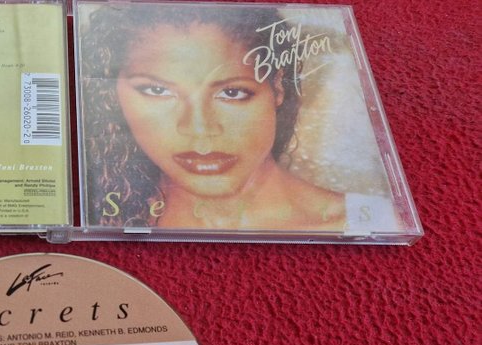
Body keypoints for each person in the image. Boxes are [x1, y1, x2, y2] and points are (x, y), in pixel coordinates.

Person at [81, 5, 399, 232]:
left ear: (277, 87)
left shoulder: (377, 222)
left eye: (232, 93)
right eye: (157, 90)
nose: (200, 128)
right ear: (113, 93)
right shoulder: (104, 219)